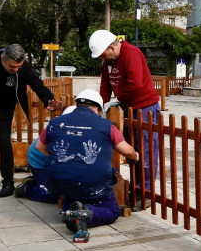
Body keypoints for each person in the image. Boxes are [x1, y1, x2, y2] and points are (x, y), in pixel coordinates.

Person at [37, 89, 139, 239]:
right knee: (112, 211)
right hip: (93, 183)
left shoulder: (55, 122)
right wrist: (135, 156)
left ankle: (72, 210)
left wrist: (61, 157)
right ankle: (85, 214)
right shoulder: (106, 125)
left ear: (77, 104)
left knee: (72, 196)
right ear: (97, 108)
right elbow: (127, 152)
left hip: (60, 183)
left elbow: (40, 147)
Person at [0, 44, 61, 196]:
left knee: (4, 140)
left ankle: (8, 183)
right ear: (3, 59)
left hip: (5, 105)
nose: (16, 70)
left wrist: (49, 100)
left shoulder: (23, 67)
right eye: (12, 67)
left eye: (18, 67)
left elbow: (36, 83)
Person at [89, 29, 159, 189]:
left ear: (111, 47)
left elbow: (135, 83)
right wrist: (100, 107)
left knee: (145, 152)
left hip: (145, 107)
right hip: (129, 109)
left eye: (103, 55)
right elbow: (105, 85)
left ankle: (145, 192)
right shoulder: (108, 62)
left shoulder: (131, 53)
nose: (103, 59)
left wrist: (117, 100)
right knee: (131, 151)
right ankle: (136, 186)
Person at [15, 106, 77, 202]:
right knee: (51, 194)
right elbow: (40, 148)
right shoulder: (54, 129)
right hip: (39, 162)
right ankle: (28, 187)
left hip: (57, 163)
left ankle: (41, 182)